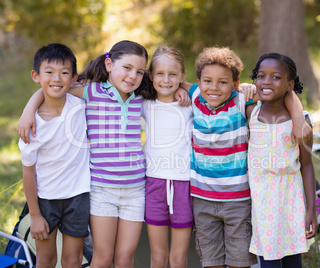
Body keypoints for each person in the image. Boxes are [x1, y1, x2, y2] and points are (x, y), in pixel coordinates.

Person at [17, 40, 190, 268]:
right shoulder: (91, 92)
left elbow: (167, 81)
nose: (132, 76)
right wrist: (29, 109)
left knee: (125, 258)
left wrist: (182, 87)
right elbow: (56, 86)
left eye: (139, 72)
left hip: (135, 190)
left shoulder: (141, 96)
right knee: (103, 258)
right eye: (126, 68)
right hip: (101, 190)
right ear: (109, 64)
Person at [180, 47, 310, 268]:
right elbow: (174, 80)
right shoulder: (195, 94)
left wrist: (298, 118)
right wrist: (180, 89)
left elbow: (281, 91)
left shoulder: (241, 100)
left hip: (238, 199)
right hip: (203, 198)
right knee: (211, 260)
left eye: (222, 82)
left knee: (240, 261)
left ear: (235, 84)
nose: (213, 87)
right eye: (207, 81)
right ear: (199, 81)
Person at [18, 43, 90, 268]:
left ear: (74, 77)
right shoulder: (31, 125)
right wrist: (35, 215)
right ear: (36, 76)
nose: (57, 78)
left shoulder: (80, 105)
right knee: (47, 259)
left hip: (78, 195)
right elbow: (28, 172)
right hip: (45, 199)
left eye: (64, 73)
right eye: (49, 72)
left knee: (72, 260)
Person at [246, 52, 317, 268]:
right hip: (261, 201)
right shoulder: (250, 113)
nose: (266, 81)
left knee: (293, 260)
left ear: (289, 84)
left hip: (291, 201)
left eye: (276, 77)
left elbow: (306, 166)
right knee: (269, 262)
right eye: (261, 76)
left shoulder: (301, 124)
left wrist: (311, 210)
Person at [142, 46, 193, 268]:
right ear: (151, 76)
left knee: (178, 258)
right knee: (158, 257)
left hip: (185, 185)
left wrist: (186, 89)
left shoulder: (193, 104)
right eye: (160, 74)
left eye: (173, 74)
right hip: (154, 183)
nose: (166, 80)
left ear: (182, 76)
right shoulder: (143, 104)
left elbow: (217, 88)